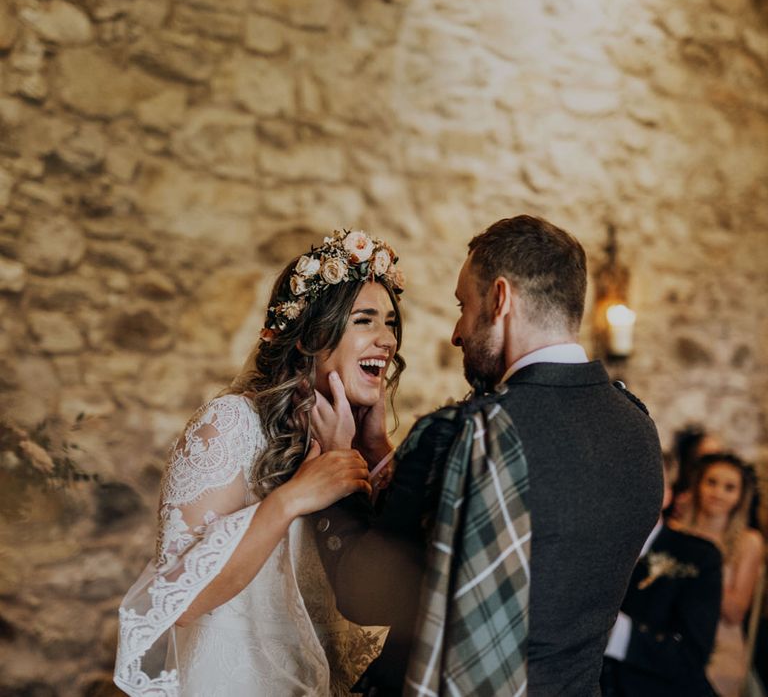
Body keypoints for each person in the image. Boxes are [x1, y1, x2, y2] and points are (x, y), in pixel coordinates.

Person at [312, 215, 664, 696]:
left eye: (464, 306)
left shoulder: (464, 435)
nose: (457, 333)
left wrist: (335, 460)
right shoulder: (638, 428)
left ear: (499, 300)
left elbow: (364, 594)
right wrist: (378, 452)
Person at [113, 229, 406, 696]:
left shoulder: (349, 442)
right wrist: (289, 500)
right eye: (365, 321)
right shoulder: (230, 424)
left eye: (390, 323)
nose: (386, 340)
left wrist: (375, 448)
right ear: (311, 336)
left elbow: (389, 573)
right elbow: (179, 603)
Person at [601, 452, 723, 696]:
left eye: (643, 481)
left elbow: (690, 656)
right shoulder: (591, 550)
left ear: (667, 494)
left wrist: (609, 631)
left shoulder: (698, 556)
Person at [677, 452, 766, 697]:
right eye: (712, 482)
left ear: (740, 496)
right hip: (674, 637)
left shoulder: (748, 542)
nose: (717, 493)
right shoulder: (677, 532)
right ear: (699, 485)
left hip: (720, 647)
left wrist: (706, 559)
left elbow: (735, 612)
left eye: (729, 488)